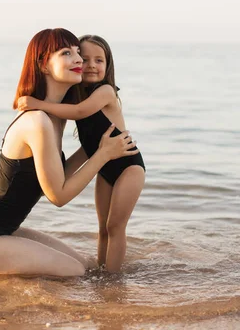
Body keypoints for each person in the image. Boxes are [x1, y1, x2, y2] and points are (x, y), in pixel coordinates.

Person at [0, 28, 139, 277]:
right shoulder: (37, 121)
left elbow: (55, 176)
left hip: (1, 228)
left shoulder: (55, 118)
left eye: (78, 53)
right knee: (75, 272)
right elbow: (58, 195)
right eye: (67, 53)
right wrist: (102, 155)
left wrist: (102, 146)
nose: (79, 60)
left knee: (89, 266)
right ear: (44, 65)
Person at [17, 34, 145, 273]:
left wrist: (38, 104)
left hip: (129, 166)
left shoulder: (105, 92)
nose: (92, 65)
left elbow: (79, 111)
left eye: (99, 60)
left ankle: (113, 280)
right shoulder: (76, 93)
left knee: (116, 226)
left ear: (108, 66)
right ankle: (101, 269)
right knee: (103, 228)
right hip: (105, 166)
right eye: (85, 59)